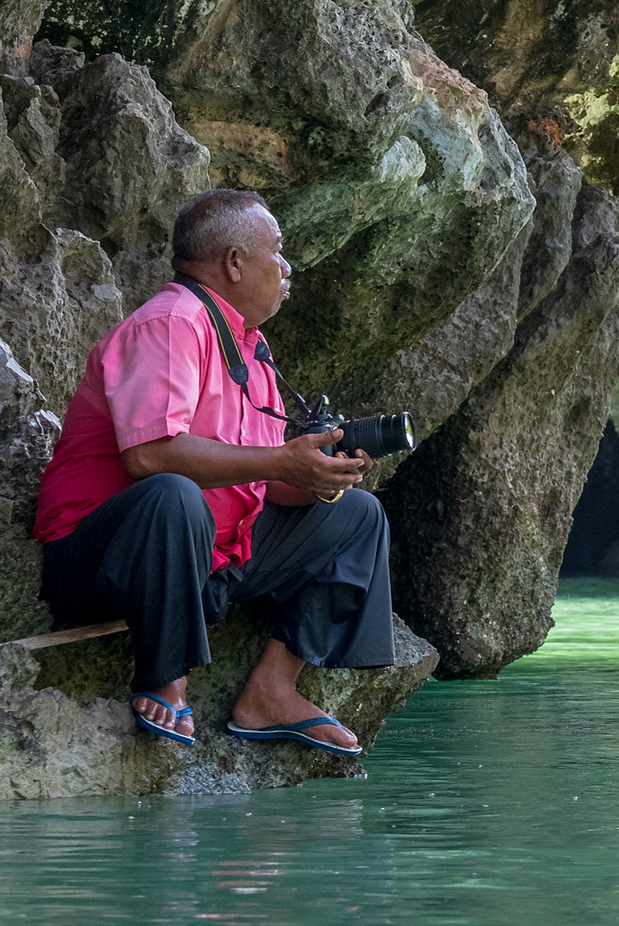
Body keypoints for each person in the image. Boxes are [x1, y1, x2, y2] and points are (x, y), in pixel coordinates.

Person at [32, 189, 394, 755]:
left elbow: (264, 479)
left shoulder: (251, 347)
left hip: (213, 558)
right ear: (233, 261)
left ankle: (271, 693)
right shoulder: (171, 322)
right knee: (172, 494)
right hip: (106, 559)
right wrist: (282, 459)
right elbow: (149, 456)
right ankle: (165, 673)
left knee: (357, 515)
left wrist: (317, 477)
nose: (287, 266)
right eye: (277, 250)